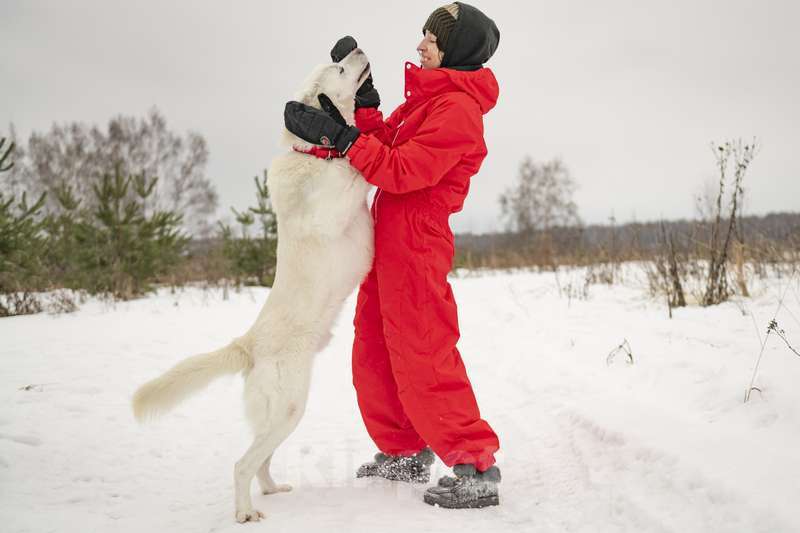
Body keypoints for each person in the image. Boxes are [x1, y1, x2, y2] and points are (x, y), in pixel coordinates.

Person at [283, 2, 501, 509]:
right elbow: (383, 140)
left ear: (457, 51)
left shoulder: (458, 112)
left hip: (418, 243)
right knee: (374, 350)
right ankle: (404, 449)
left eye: (433, 38)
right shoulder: (429, 101)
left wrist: (344, 140)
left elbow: (401, 170)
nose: (421, 44)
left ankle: (476, 465)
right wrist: (364, 105)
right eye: (423, 33)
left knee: (424, 351)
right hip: (387, 239)